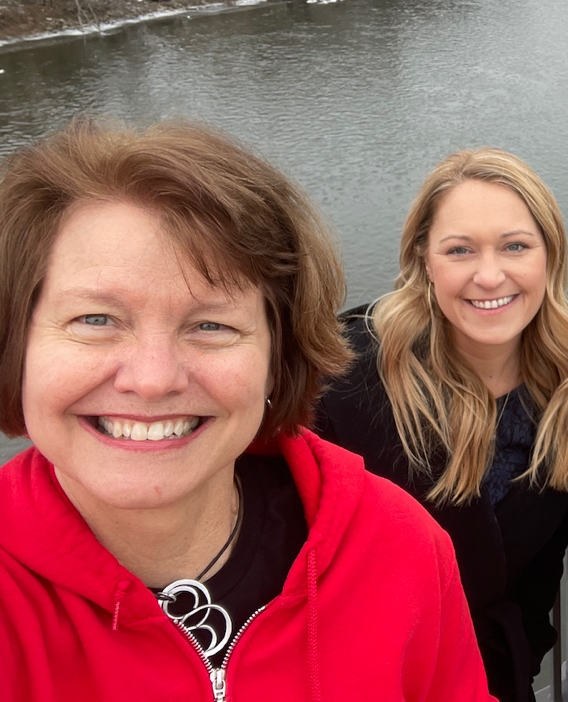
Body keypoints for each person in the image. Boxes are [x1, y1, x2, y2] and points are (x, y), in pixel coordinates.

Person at [0, 120, 493, 701]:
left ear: (276, 359)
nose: (153, 379)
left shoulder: (397, 548)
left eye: (211, 325)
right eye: (96, 320)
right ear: (17, 345)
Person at [317, 148, 568, 702]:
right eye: (460, 250)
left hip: (489, 677)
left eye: (515, 246)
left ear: (550, 257)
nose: (489, 275)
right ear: (425, 261)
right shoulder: (349, 380)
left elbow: (541, 569)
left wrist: (523, 652)